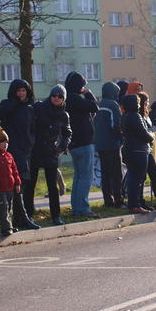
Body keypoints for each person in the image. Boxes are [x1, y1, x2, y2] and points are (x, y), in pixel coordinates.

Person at [0, 79, 40, 230]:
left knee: (22, 184)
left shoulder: (30, 108)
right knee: (15, 185)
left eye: (23, 90)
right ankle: (19, 218)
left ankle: (20, 218)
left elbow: (33, 129)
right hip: (11, 151)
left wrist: (31, 144)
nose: (21, 93)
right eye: (18, 91)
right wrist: (14, 102)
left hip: (25, 151)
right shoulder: (8, 104)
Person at [24, 84, 72, 225]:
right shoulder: (39, 107)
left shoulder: (63, 115)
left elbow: (68, 133)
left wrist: (61, 147)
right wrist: (29, 142)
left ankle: (56, 216)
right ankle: (28, 215)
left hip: (51, 151)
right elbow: (28, 124)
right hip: (35, 150)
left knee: (52, 186)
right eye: (54, 95)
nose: (56, 98)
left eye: (60, 96)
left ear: (63, 99)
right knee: (30, 185)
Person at [65, 71, 100, 218]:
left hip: (73, 143)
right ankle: (83, 209)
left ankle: (76, 208)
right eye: (82, 85)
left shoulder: (66, 99)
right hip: (84, 142)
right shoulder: (76, 99)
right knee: (86, 177)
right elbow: (95, 107)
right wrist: (89, 94)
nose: (83, 88)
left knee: (78, 177)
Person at [121, 94, 154, 215]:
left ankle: (134, 204)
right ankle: (135, 205)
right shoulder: (135, 116)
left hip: (130, 149)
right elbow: (143, 133)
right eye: (138, 103)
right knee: (137, 179)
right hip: (138, 150)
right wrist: (152, 137)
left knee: (133, 178)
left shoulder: (125, 116)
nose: (139, 105)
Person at [94, 81, 124, 208]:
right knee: (116, 174)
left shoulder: (99, 104)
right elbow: (116, 125)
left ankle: (108, 201)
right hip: (112, 144)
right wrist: (121, 138)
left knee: (105, 174)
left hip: (100, 144)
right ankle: (118, 201)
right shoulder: (113, 105)